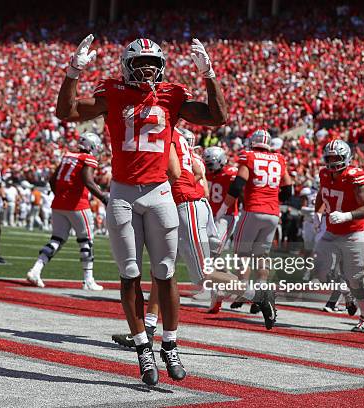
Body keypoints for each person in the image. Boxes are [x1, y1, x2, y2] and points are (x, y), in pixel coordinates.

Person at [56, 34, 227, 386]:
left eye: (152, 63)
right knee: (130, 272)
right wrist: (72, 72)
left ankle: (171, 344)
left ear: (162, 67)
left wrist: (209, 74)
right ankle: (142, 349)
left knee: (165, 272)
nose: (147, 69)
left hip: (160, 191)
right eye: (139, 63)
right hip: (122, 194)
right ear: (126, 66)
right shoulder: (112, 93)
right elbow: (66, 111)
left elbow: (216, 117)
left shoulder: (172, 95)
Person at [111, 127, 211, 348]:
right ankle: (148, 326)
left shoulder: (167, 132)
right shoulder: (190, 151)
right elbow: (199, 177)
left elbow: (174, 172)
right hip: (185, 202)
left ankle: (256, 294)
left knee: (203, 273)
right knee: (162, 269)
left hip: (183, 203)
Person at [212, 129, 293, 329]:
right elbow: (289, 188)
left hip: (253, 210)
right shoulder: (279, 158)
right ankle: (262, 290)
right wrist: (273, 200)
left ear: (253, 142)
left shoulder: (249, 156)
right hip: (273, 213)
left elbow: (238, 184)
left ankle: (245, 293)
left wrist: (222, 210)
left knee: (242, 254)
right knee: (262, 255)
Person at [25, 132, 108, 290]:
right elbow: (88, 181)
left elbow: (52, 179)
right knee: (86, 241)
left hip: (59, 203)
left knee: (56, 239)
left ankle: (36, 270)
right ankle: (88, 280)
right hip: (78, 204)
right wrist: (104, 198)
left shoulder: (68, 156)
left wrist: (61, 195)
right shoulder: (88, 158)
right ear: (91, 146)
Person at [313, 139, 364, 332]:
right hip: (331, 231)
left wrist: (347, 215)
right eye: (329, 157)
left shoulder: (354, 176)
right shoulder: (324, 173)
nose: (332, 162)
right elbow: (321, 194)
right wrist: (317, 212)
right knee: (320, 270)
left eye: (336, 157)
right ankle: (345, 292)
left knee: (356, 277)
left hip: (354, 232)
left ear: (346, 157)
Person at [203, 146, 238, 258]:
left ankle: (211, 272)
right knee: (206, 248)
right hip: (210, 215)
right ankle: (223, 273)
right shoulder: (207, 173)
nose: (208, 167)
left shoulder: (230, 173)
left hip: (226, 215)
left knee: (214, 245)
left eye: (210, 164)